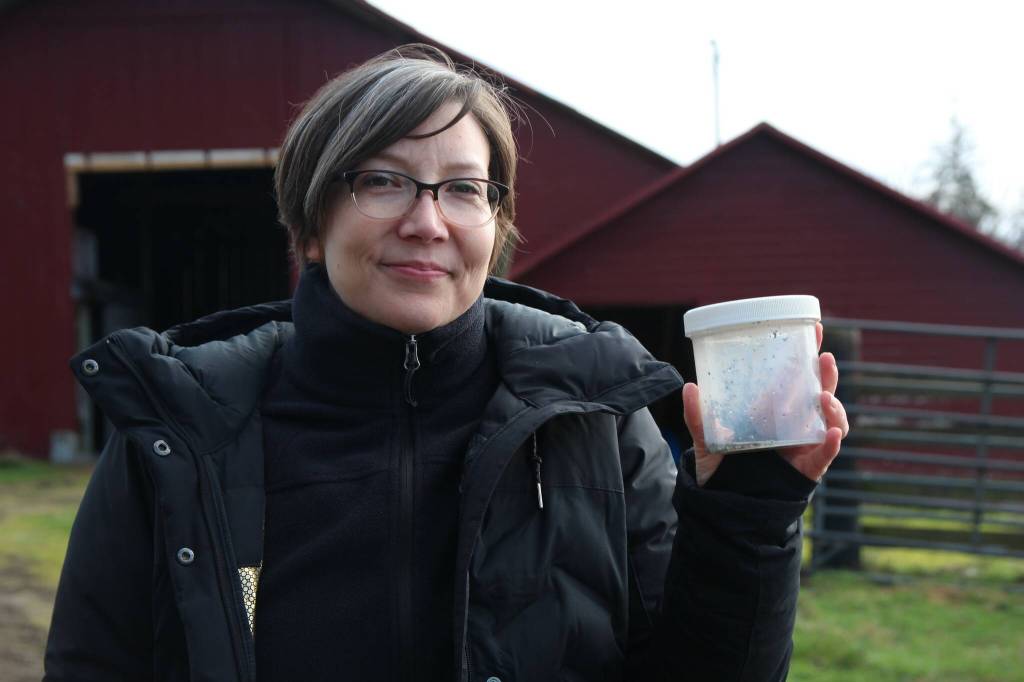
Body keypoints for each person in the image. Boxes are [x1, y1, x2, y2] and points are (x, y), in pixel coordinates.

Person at [44, 44, 849, 682]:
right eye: (384, 180)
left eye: (464, 189)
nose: (428, 222)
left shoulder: (597, 416)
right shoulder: (180, 430)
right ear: (311, 224)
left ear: (496, 227)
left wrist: (749, 515)